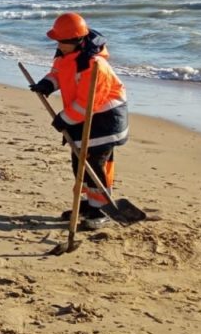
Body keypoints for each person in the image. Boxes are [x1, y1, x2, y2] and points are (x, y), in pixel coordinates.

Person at [28, 12, 129, 230]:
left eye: (62, 41)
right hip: (83, 117)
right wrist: (47, 84)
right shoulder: (65, 54)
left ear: (77, 40)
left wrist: (63, 119)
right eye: (57, 41)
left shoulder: (94, 65)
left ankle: (101, 210)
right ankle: (88, 203)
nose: (58, 45)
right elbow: (58, 73)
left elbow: (87, 103)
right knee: (79, 162)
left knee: (94, 164)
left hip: (105, 120)